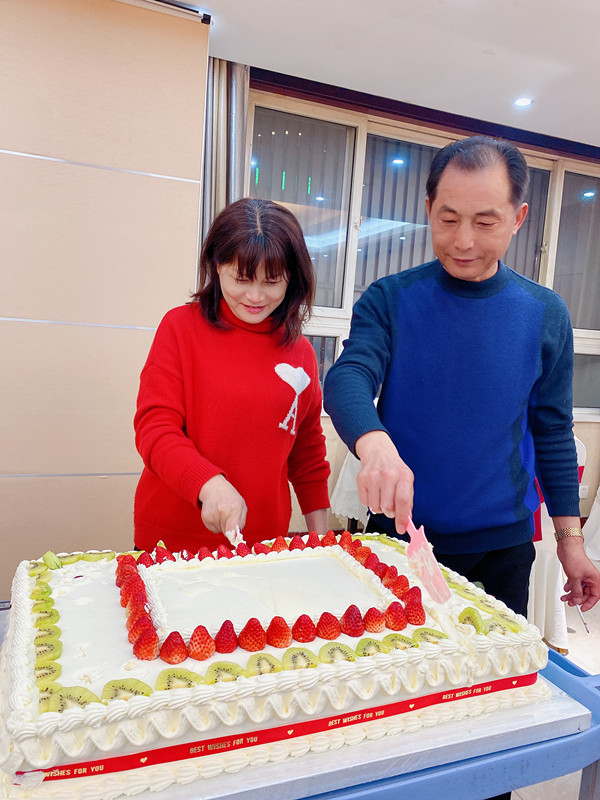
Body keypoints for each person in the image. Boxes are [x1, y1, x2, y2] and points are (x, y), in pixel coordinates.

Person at [324, 136, 600, 622]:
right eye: (448, 220)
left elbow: (553, 432)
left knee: (496, 666)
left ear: (518, 218)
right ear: (428, 209)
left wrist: (570, 542)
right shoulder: (391, 298)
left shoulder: (544, 313)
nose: (463, 240)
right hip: (402, 540)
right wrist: (375, 445)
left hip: (502, 549)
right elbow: (349, 375)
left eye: (485, 222)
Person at [134, 197, 330, 554]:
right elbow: (155, 429)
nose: (255, 296)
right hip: (172, 542)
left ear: (292, 279)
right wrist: (208, 483)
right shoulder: (180, 328)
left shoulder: (301, 352)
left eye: (272, 281)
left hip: (262, 545)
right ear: (217, 264)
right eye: (241, 278)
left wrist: (324, 544)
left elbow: (308, 455)